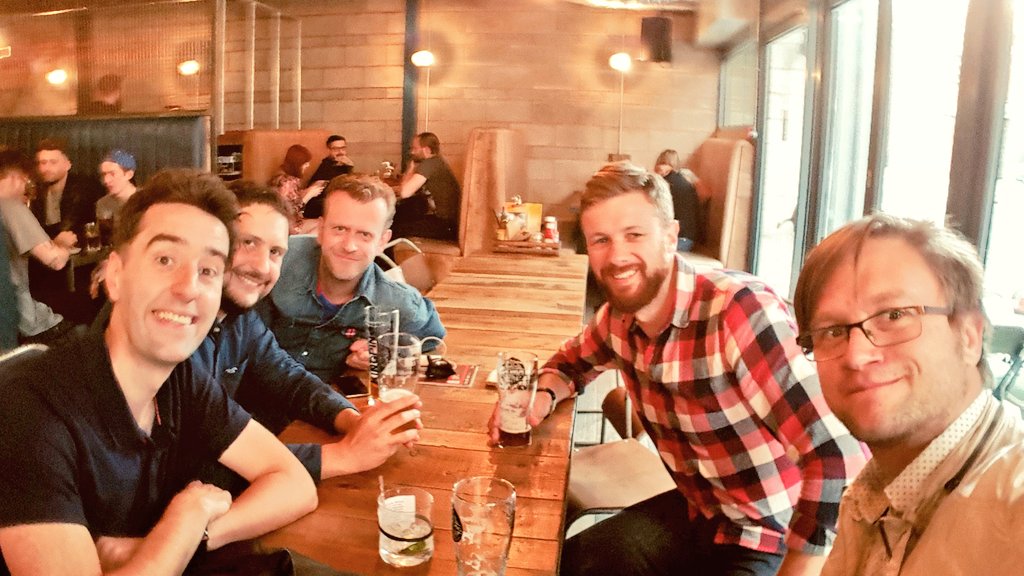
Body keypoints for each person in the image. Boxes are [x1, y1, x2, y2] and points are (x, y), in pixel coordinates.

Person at [488, 161, 867, 576]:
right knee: (575, 562)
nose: (617, 256)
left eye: (634, 235)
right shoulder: (617, 319)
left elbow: (838, 454)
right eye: (601, 240)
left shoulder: (737, 311)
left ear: (670, 237)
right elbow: (569, 363)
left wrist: (800, 565)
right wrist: (542, 395)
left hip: (770, 532)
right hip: (701, 512)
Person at [0, 168, 317, 575]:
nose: (189, 287)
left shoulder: (179, 382)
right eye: (165, 260)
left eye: (208, 270)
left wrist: (190, 533)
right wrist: (188, 513)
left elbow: (294, 483)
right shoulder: (30, 411)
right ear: (116, 276)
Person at [792, 214, 1024, 575]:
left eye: (894, 315)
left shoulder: (1013, 505)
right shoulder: (873, 494)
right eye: (833, 331)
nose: (857, 355)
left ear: (969, 337)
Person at [196, 180, 422, 490]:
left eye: (275, 252)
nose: (262, 266)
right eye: (247, 242)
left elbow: (290, 379)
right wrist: (345, 455)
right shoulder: (181, 330)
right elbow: (202, 464)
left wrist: (353, 421)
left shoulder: (239, 318)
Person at [259, 174, 446, 395]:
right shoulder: (278, 258)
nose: (349, 246)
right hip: (246, 396)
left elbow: (434, 343)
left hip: (325, 404)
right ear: (320, 230)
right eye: (339, 229)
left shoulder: (396, 300)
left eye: (364, 234)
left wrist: (384, 354)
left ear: (382, 242)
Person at [0, 148, 77, 346]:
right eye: (25, 181)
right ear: (16, 178)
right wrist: (63, 247)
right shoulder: (11, 207)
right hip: (24, 324)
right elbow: (55, 260)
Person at [394, 132, 461, 242]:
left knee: (396, 229)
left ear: (426, 150)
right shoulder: (436, 162)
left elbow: (404, 193)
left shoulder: (429, 164)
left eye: (415, 148)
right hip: (444, 222)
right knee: (400, 215)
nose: (412, 152)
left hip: (444, 225)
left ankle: (383, 253)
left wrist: (410, 170)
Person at [32, 138, 104, 239]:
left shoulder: (85, 189)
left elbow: (87, 228)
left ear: (68, 165)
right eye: (43, 163)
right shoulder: (34, 190)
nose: (46, 168)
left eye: (53, 162)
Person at [268, 144, 326, 234]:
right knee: (322, 226)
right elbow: (287, 212)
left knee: (322, 223)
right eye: (305, 163)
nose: (308, 165)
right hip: (288, 226)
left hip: (293, 222)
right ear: (297, 164)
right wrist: (308, 196)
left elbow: (292, 198)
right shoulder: (286, 182)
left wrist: (309, 190)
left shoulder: (288, 177)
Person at [654, 149, 702, 252]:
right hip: (688, 237)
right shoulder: (680, 179)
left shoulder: (666, 184)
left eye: (662, 163)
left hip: (681, 238)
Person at [95, 148, 138, 232]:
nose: (106, 180)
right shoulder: (103, 204)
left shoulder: (145, 200)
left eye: (112, 174)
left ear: (129, 175)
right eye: (103, 175)